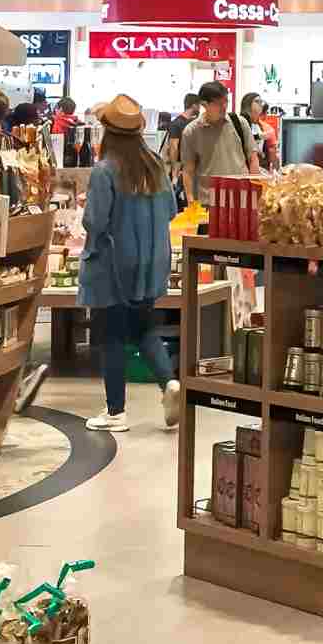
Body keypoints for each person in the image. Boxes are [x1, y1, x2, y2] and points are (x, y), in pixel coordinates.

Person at [79, 94, 181, 433]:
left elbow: (95, 221)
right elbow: (170, 212)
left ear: (106, 132)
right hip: (152, 262)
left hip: (113, 265)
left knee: (111, 335)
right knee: (143, 327)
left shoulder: (105, 170)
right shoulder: (154, 165)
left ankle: (115, 412)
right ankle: (169, 383)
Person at [179, 80, 257, 206]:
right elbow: (188, 170)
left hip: (241, 200)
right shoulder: (191, 132)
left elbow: (253, 158)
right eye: (219, 103)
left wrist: (255, 191)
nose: (224, 106)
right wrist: (190, 199)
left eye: (226, 101)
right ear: (204, 104)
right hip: (209, 203)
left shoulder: (239, 123)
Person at [162, 92, 203, 199]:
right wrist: (175, 174)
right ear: (194, 105)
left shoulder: (191, 123)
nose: (200, 108)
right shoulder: (177, 123)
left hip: (190, 168)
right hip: (181, 169)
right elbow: (173, 147)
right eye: (199, 105)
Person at [238, 92, 278, 171]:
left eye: (261, 102)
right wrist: (260, 136)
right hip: (244, 167)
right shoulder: (241, 122)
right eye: (257, 101)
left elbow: (271, 152)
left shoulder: (263, 126)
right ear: (248, 104)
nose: (260, 104)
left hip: (260, 167)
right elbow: (242, 140)